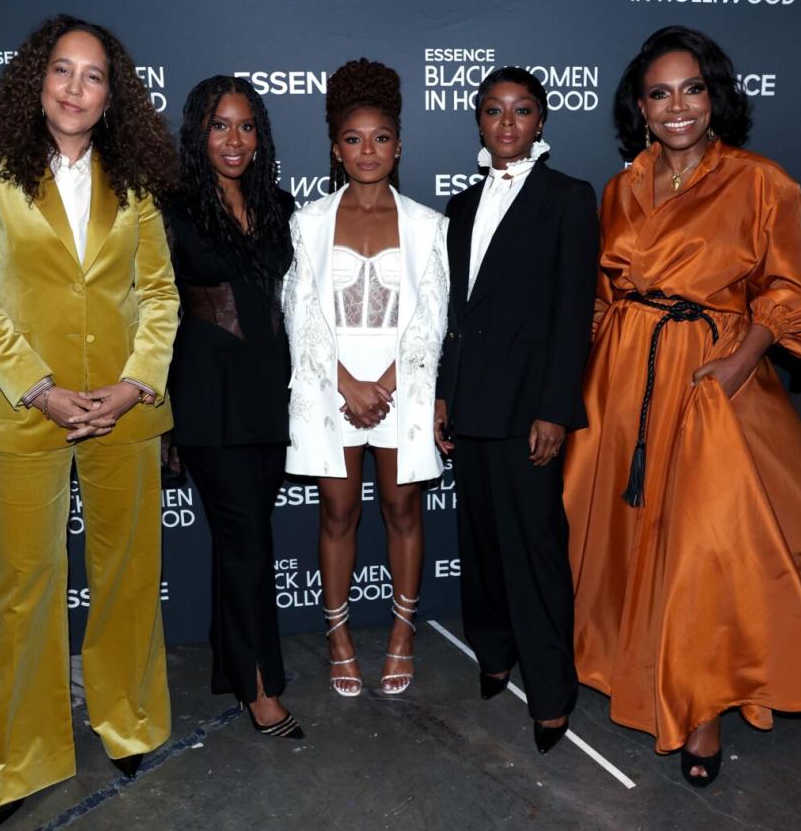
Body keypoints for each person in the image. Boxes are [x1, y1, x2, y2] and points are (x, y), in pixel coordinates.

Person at [564, 26, 801, 787]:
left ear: (716, 97)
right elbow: (603, 298)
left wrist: (737, 364)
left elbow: (785, 290)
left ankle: (702, 707)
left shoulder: (761, 182)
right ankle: (623, 664)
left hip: (711, 376)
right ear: (639, 107)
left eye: (692, 89)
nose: (677, 107)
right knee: (626, 535)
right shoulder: (620, 187)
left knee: (704, 549)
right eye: (660, 93)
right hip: (626, 379)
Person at [0, 15, 179, 829]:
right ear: (35, 81)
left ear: (112, 94)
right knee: (23, 589)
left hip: (124, 409)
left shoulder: (138, 176)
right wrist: (40, 389)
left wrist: (133, 385)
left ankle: (128, 718)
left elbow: (159, 296)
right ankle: (22, 759)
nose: (75, 88)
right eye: (61, 71)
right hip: (23, 409)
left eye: (92, 76)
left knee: (125, 577)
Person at [434, 67, 598, 754]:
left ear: (541, 122)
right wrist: (443, 392)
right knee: (479, 546)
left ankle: (553, 691)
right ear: (477, 120)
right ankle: (493, 654)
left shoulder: (568, 198)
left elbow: (572, 315)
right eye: (494, 111)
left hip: (528, 407)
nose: (507, 123)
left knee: (534, 553)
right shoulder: (461, 206)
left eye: (521, 110)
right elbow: (454, 312)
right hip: (470, 402)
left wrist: (555, 409)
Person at [283, 58, 449, 698]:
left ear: (399, 145)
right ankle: (339, 636)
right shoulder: (308, 223)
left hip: (403, 383)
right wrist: (346, 380)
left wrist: (386, 382)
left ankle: (404, 636)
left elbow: (432, 314)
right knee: (338, 510)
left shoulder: (429, 226)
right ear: (336, 149)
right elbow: (300, 311)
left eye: (381, 138)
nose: (368, 150)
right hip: (329, 381)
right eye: (354, 139)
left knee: (404, 507)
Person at [162, 76, 302, 738]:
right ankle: (256, 686)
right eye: (220, 125)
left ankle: (230, 661)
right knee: (248, 542)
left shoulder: (278, 202)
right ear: (198, 133)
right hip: (206, 395)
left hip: (267, 394)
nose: (234, 139)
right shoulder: (173, 207)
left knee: (239, 541)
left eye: (246, 126)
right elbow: (153, 312)